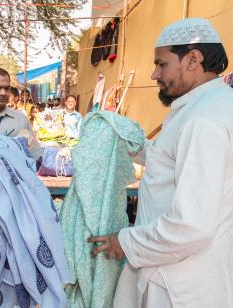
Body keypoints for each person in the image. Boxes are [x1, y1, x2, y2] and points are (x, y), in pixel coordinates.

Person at [89, 18, 233, 307]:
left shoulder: (203, 119)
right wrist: (130, 142)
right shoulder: (209, 105)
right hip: (176, 271)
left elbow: (191, 226)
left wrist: (125, 241)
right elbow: (170, 160)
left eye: (162, 64)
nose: (154, 74)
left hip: (180, 284)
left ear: (193, 59)